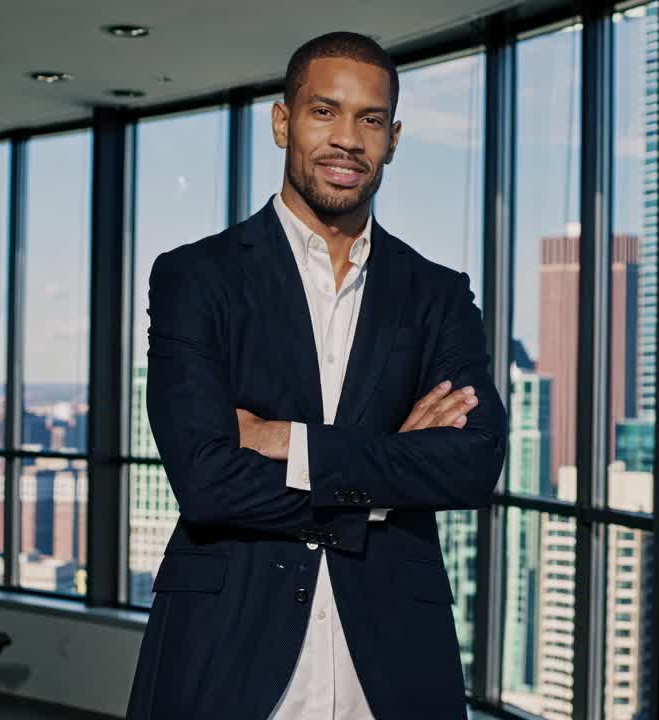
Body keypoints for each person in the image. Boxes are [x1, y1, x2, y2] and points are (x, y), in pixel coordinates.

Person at [126, 30, 507, 720]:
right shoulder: (195, 277)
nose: (347, 140)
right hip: (227, 645)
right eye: (323, 112)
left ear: (391, 138)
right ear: (283, 123)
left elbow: (472, 465)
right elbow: (207, 483)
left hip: (392, 658)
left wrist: (291, 442)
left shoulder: (437, 294)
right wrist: (384, 488)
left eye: (369, 120)